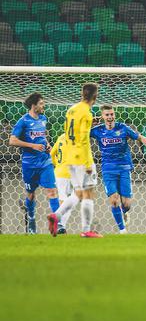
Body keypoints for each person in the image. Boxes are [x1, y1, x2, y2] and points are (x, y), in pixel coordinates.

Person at [90, 105, 146, 234]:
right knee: (114, 199)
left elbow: (140, 137)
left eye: (111, 114)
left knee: (126, 204)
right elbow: (79, 134)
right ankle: (122, 230)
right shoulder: (97, 130)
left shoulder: (123, 128)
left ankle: (124, 212)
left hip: (124, 168)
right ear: (102, 116)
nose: (110, 117)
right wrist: (88, 124)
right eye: (107, 115)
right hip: (108, 169)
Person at [48, 83, 101, 238]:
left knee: (78, 193)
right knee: (88, 194)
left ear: (81, 94)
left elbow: (67, 132)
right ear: (95, 97)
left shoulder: (71, 109)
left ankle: (56, 216)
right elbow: (84, 139)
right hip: (81, 158)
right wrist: (87, 164)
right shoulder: (87, 113)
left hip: (69, 158)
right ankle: (86, 230)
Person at [8, 92, 60, 234]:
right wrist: (31, 146)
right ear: (34, 105)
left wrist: (48, 145)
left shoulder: (43, 119)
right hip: (29, 165)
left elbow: (42, 138)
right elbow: (12, 140)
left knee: (52, 191)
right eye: (42, 103)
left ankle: (58, 223)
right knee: (31, 194)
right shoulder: (23, 121)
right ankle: (31, 218)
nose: (44, 105)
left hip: (45, 162)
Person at [50, 133, 76, 234]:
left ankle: (60, 225)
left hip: (59, 172)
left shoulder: (61, 136)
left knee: (65, 199)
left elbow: (52, 153)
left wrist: (57, 165)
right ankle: (59, 223)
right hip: (72, 172)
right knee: (69, 200)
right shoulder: (76, 137)